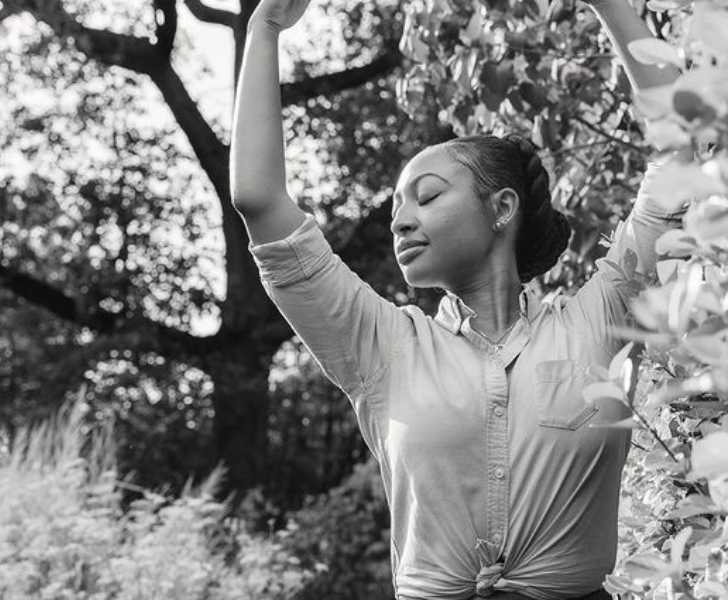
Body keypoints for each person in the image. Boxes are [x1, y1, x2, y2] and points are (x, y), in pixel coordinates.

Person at [230, 0, 684, 598]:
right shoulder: (382, 346)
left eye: (427, 196)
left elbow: (681, 147)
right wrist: (263, 30)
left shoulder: (601, 321)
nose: (400, 222)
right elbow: (259, 201)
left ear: (501, 209)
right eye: (396, 210)